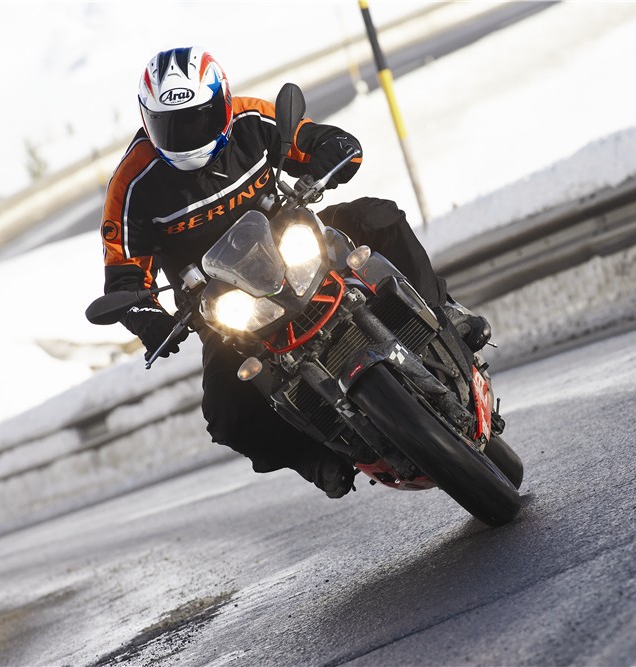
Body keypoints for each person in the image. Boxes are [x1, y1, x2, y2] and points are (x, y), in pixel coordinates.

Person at [100, 46, 490, 499]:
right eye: (171, 125)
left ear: (222, 102)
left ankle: (443, 312)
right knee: (225, 412)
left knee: (377, 217)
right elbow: (123, 274)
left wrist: (334, 149)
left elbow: (312, 138)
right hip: (225, 303)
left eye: (198, 118)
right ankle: (317, 459)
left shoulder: (251, 119)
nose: (187, 135)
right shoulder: (132, 184)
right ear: (147, 121)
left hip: (297, 247)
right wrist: (145, 316)